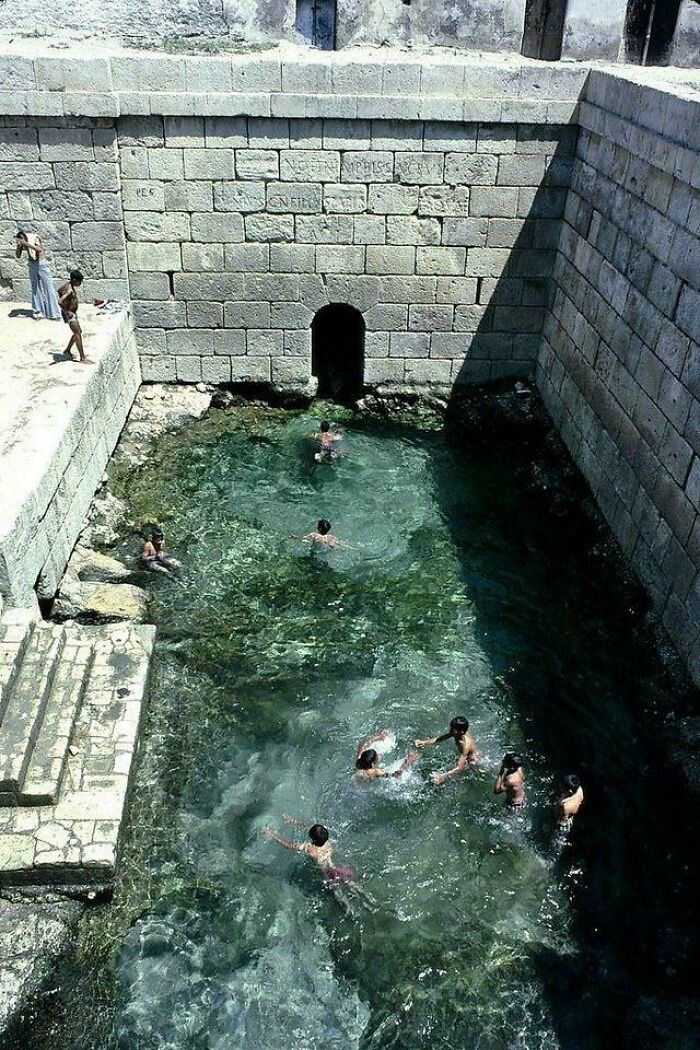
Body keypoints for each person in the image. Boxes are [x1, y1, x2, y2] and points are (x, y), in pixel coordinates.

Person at [264, 821, 375, 910]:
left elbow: (289, 845)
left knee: (337, 893)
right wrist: (295, 821)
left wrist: (273, 834)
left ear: (312, 839)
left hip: (329, 874)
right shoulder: (327, 842)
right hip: (339, 869)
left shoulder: (310, 848)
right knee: (352, 884)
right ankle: (369, 898)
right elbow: (312, 825)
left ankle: (349, 909)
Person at [414, 716, 479, 785]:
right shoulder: (457, 733)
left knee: (449, 771)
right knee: (445, 770)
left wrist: (442, 776)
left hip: (472, 762)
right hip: (465, 757)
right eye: (451, 728)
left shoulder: (465, 745)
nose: (450, 730)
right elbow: (441, 739)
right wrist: (423, 742)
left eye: (453, 729)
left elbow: (460, 767)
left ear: (461, 732)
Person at [15, 231, 61, 320]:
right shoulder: (22, 242)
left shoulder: (34, 238)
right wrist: (18, 247)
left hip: (41, 263)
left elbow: (39, 249)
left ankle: (54, 313)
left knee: (48, 287)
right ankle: (38, 312)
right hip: (32, 265)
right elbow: (18, 256)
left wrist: (26, 244)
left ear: (24, 237)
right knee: (35, 289)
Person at [58, 270, 89, 363]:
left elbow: (59, 291)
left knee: (78, 332)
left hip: (72, 313)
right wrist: (67, 311)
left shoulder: (67, 285)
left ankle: (67, 350)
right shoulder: (69, 290)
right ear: (74, 280)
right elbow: (60, 301)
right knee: (77, 333)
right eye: (79, 281)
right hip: (70, 314)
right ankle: (82, 358)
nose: (80, 283)